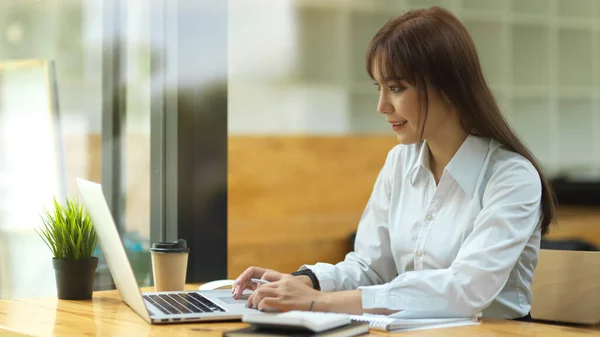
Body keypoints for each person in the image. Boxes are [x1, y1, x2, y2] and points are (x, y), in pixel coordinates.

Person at [231, 6, 555, 320]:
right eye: (379, 87)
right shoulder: (400, 162)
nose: (382, 105)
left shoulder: (512, 178)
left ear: (450, 88)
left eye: (396, 88)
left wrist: (320, 302)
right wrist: (306, 281)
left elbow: (464, 291)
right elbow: (371, 268)